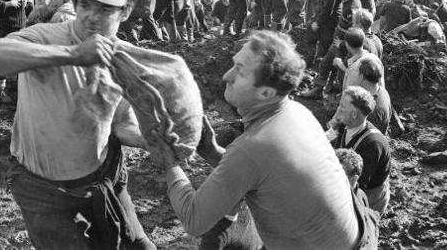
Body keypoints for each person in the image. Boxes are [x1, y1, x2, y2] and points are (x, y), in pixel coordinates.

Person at [0, 0, 157, 249]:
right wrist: (72, 55)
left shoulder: (126, 58)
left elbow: (120, 122)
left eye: (106, 8)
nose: (91, 16)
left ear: (126, 11)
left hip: (102, 177)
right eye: (85, 5)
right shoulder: (45, 37)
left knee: (139, 246)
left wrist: (151, 140)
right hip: (42, 187)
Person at [152, 31, 373, 249]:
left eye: (239, 71)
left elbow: (193, 220)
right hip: (356, 238)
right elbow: (266, 177)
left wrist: (169, 162)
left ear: (266, 93)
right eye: (234, 65)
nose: (226, 76)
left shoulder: (252, 147)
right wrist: (211, 151)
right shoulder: (298, 112)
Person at [329, 87, 391, 216]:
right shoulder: (345, 124)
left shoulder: (373, 144)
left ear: (354, 114)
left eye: (342, 107)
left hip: (369, 197)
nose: (338, 109)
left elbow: (359, 187)